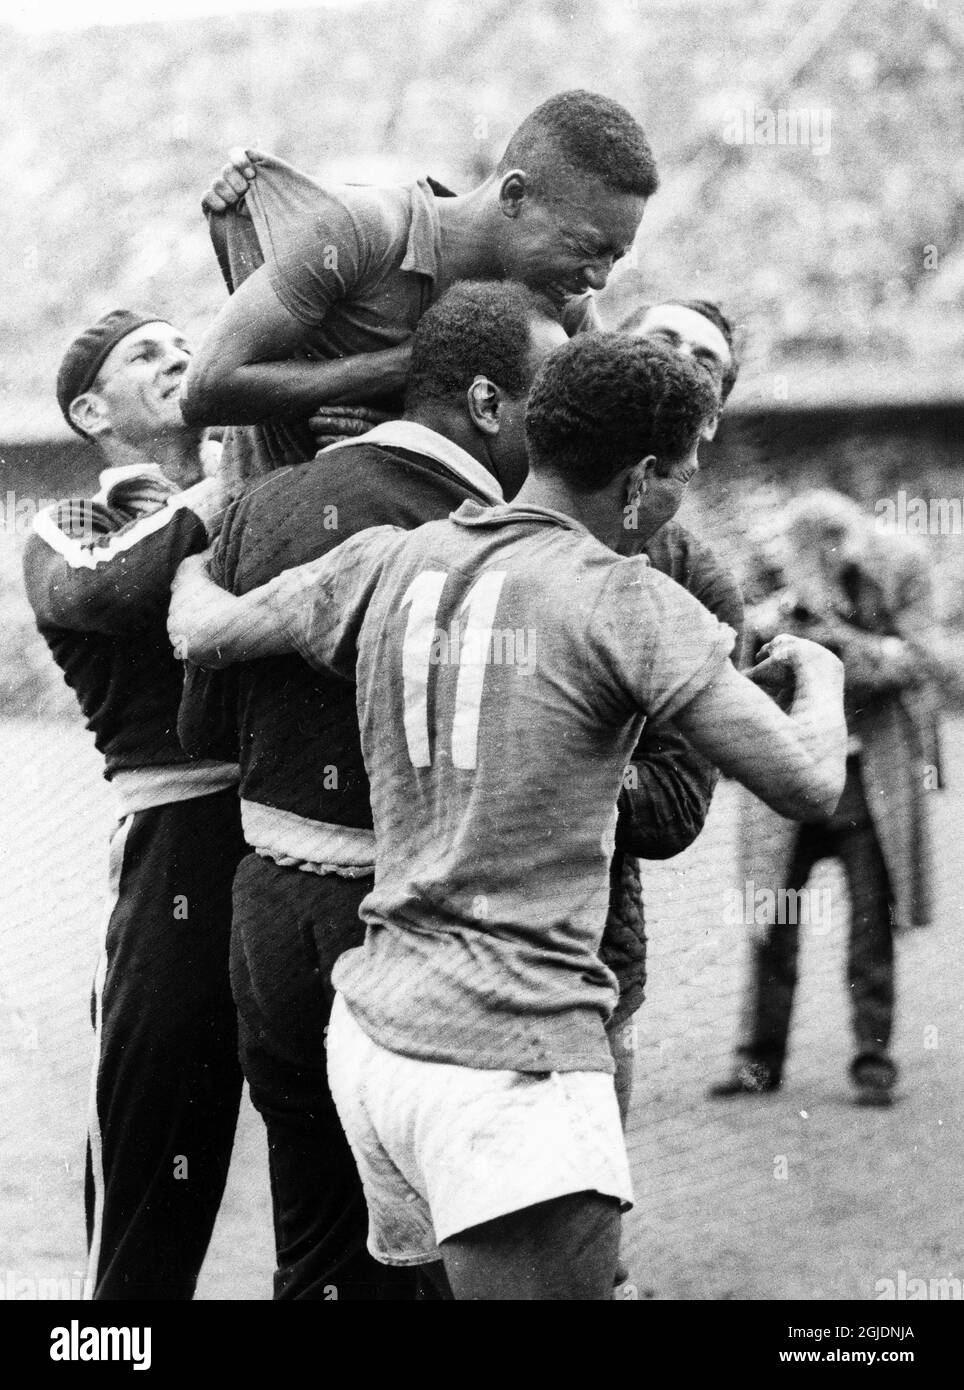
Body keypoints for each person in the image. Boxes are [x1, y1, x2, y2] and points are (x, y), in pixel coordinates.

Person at [170, 333, 847, 1298]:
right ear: (641, 477)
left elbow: (198, 627)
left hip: (377, 1042)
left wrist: (202, 539)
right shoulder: (631, 601)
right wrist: (821, 680)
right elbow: (811, 786)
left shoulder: (388, 558)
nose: (685, 493)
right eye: (688, 469)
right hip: (508, 1056)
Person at [174, 280, 569, 1300]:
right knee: (436, 1246)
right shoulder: (495, 537)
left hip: (269, 914)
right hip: (411, 930)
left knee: (311, 1244)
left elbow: (201, 729)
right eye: (551, 398)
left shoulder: (263, 504)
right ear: (486, 404)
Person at [21, 311, 245, 1300]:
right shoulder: (68, 527)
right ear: (88, 409)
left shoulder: (267, 490)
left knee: (359, 1167)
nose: (179, 360)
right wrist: (222, 490)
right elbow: (117, 590)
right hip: (178, 856)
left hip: (315, 851)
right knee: (152, 1184)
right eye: (146, 355)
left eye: (186, 346)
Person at [181, 90, 657, 479]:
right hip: (274, 544)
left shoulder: (563, 304)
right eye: (586, 247)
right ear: (515, 195)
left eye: (615, 256)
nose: (598, 279)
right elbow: (206, 391)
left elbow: (606, 452)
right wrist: (400, 369)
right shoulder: (361, 231)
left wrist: (411, 433)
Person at [709, 490, 949, 1106]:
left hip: (869, 781)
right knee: (773, 920)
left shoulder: (898, 567)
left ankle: (874, 1062)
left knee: (871, 929)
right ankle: (757, 1063)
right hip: (786, 778)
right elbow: (743, 678)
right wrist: (771, 630)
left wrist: (833, 639)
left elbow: (919, 662)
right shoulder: (768, 572)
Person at [605, 296, 744, 1119]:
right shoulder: (492, 494)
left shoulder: (695, 578)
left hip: (589, 938)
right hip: (432, 917)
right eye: (660, 340)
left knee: (577, 1221)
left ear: (714, 415)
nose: (679, 359)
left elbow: (676, 806)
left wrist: (556, 762)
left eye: (706, 359)